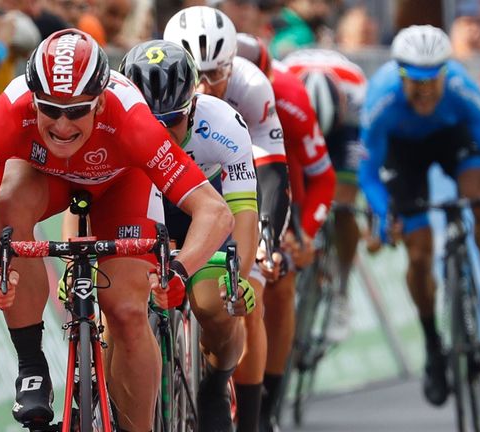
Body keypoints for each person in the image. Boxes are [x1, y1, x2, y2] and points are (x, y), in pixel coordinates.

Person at [0, 29, 234, 432]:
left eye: (77, 111)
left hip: (120, 182)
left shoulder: (132, 118)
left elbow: (215, 211)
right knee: (9, 202)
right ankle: (31, 366)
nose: (62, 125)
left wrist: (179, 269)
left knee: (127, 310)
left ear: (99, 100)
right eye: (50, 109)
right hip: (47, 179)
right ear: (32, 98)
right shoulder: (8, 111)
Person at [359, 25, 480, 407]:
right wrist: (383, 215)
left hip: (452, 138)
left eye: (433, 81)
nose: (425, 91)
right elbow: (368, 173)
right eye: (416, 82)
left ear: (447, 73)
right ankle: (432, 345)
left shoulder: (463, 91)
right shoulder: (381, 100)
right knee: (419, 251)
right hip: (402, 153)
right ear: (400, 75)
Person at [120, 39, 258, 432]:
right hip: (141, 210)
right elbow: (87, 195)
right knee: (120, 306)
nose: (160, 132)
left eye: (172, 121)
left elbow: (243, 211)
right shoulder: (111, 118)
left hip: (205, 214)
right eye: (150, 121)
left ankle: (215, 382)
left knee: (215, 302)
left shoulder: (223, 124)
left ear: (194, 106)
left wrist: (240, 277)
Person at [164, 7, 288, 432]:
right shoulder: (149, 93)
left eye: (215, 73)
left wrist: (250, 263)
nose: (202, 85)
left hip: (223, 199)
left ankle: (238, 408)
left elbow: (264, 180)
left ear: (233, 65)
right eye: (193, 72)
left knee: (244, 298)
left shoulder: (249, 91)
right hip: (162, 201)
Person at [235, 33, 336, 432]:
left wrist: (305, 233)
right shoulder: (199, 90)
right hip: (214, 175)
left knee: (279, 282)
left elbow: (322, 177)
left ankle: (269, 404)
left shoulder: (288, 96)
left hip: (276, 179)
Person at [282, 47, 368, 344]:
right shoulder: (282, 85)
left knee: (344, 203)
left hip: (345, 130)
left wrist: (348, 197)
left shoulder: (357, 91)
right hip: (297, 121)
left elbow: (360, 159)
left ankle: (342, 288)